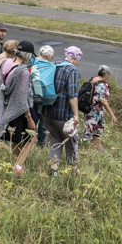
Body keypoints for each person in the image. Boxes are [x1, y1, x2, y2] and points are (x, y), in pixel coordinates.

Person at [0, 39, 35, 173]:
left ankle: (14, 163)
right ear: (28, 56)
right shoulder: (23, 72)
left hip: (6, 104)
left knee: (16, 139)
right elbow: (22, 98)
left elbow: (0, 85)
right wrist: (29, 117)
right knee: (32, 137)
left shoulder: (7, 63)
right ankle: (18, 166)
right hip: (18, 109)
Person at [43, 45, 81, 176]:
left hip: (47, 111)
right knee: (71, 141)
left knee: (55, 140)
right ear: (75, 58)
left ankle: (53, 170)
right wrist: (76, 115)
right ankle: (73, 171)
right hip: (64, 114)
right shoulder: (72, 70)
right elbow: (73, 94)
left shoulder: (53, 65)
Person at [81, 63, 118, 149]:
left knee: (91, 132)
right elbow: (103, 101)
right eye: (108, 76)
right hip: (96, 112)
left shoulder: (92, 80)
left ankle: (98, 150)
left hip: (88, 110)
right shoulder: (103, 85)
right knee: (97, 132)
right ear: (106, 75)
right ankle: (92, 151)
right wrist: (112, 115)